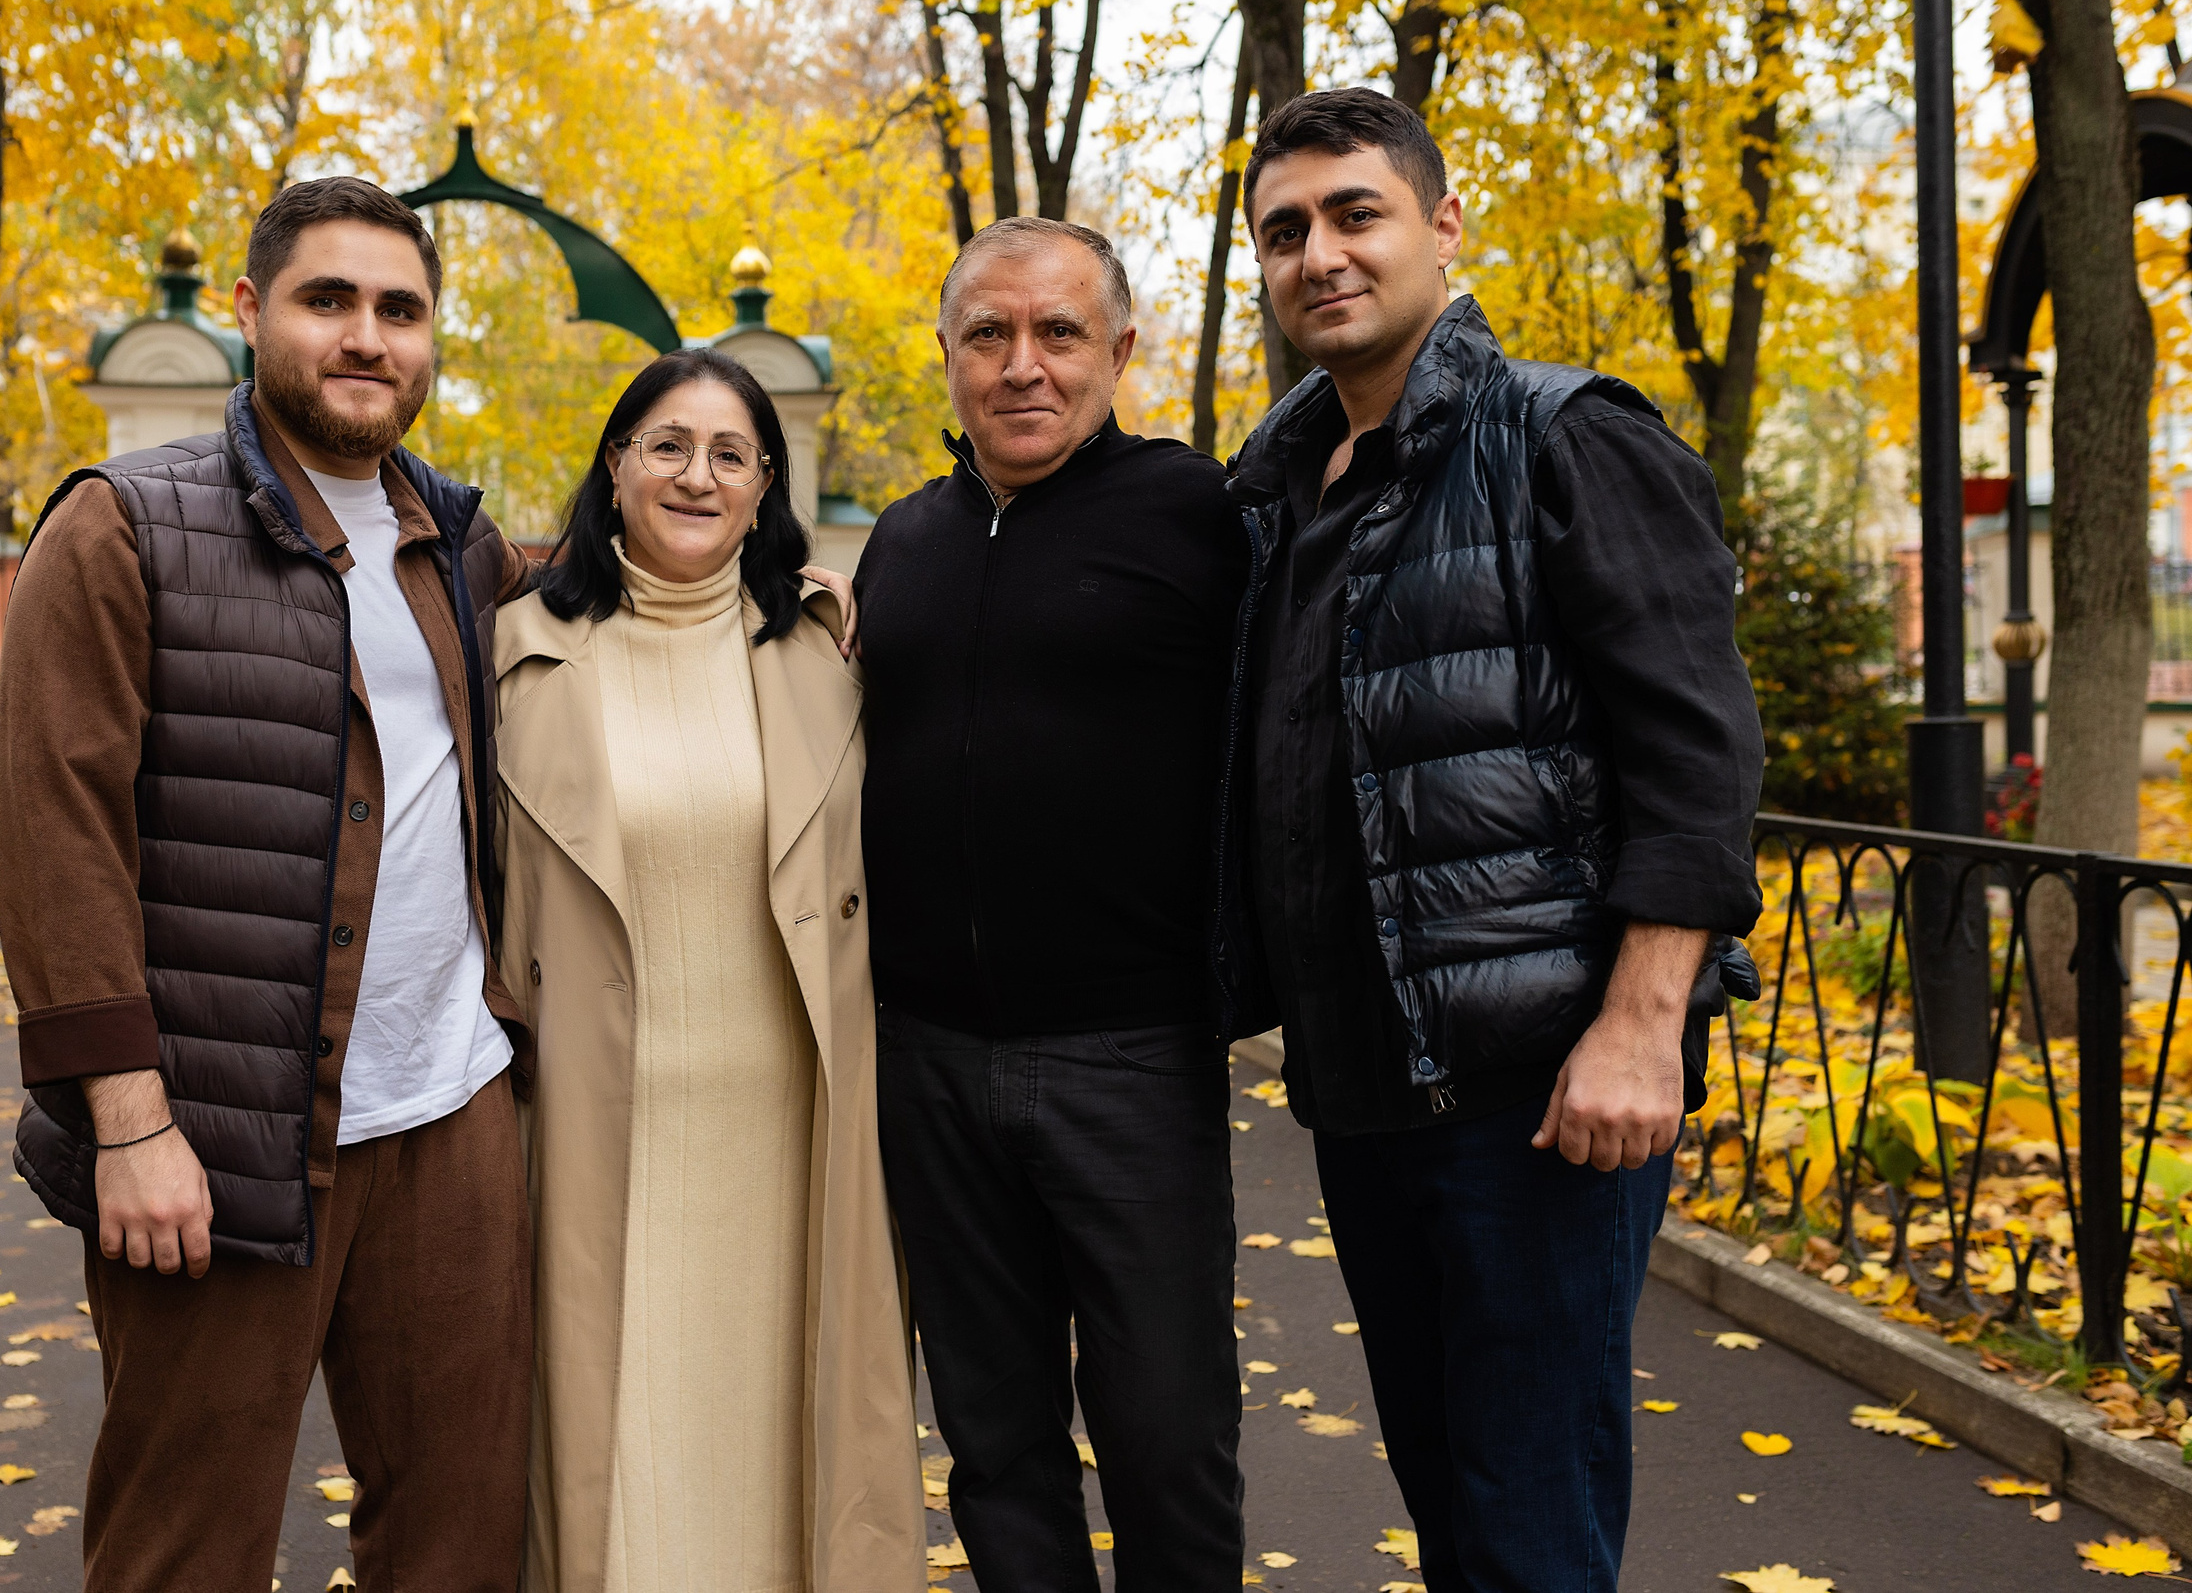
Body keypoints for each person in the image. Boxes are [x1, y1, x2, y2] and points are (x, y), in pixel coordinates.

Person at [1218, 88, 1766, 1591]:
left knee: (1529, 1528)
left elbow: (1699, 752)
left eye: (1354, 214)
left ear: (1442, 228)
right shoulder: (1277, 491)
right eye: (1285, 231)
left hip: (1535, 1090)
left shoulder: (1562, 434)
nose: (1318, 254)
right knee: (1456, 1514)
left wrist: (1644, 1024)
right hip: (1367, 1085)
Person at [0, 175, 537, 1592]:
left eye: (400, 309)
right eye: (330, 299)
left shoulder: (454, 541)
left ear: (432, 340)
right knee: (187, 1544)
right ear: (251, 313)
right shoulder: (123, 527)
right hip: (220, 1134)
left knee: (466, 1535)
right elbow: (58, 836)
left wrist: (803, 596)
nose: (368, 336)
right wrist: (127, 1122)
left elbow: (627, 592)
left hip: (452, 1113)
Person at [854, 217, 1251, 1591]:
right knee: (995, 1437)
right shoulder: (903, 540)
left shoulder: (1203, 518)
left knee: (1166, 1430)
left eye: (1060, 332)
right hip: (929, 1061)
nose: (1023, 366)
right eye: (989, 334)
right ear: (950, 354)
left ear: (1121, 350)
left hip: (1129, 1057)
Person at [493, 345, 923, 1593]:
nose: (697, 474)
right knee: (609, 1447)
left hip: (790, 1120)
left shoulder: (828, 653)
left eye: (730, 453)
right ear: (615, 464)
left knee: (789, 1437)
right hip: (590, 1122)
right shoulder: (513, 654)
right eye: (667, 445)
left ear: (764, 485)